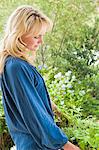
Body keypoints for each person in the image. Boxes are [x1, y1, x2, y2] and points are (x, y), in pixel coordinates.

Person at [0, 5, 80, 150]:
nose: (41, 41)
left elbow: (30, 101)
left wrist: (51, 105)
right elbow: (34, 114)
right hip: (36, 144)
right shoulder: (16, 67)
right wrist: (65, 144)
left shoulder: (16, 64)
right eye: (36, 36)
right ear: (19, 34)